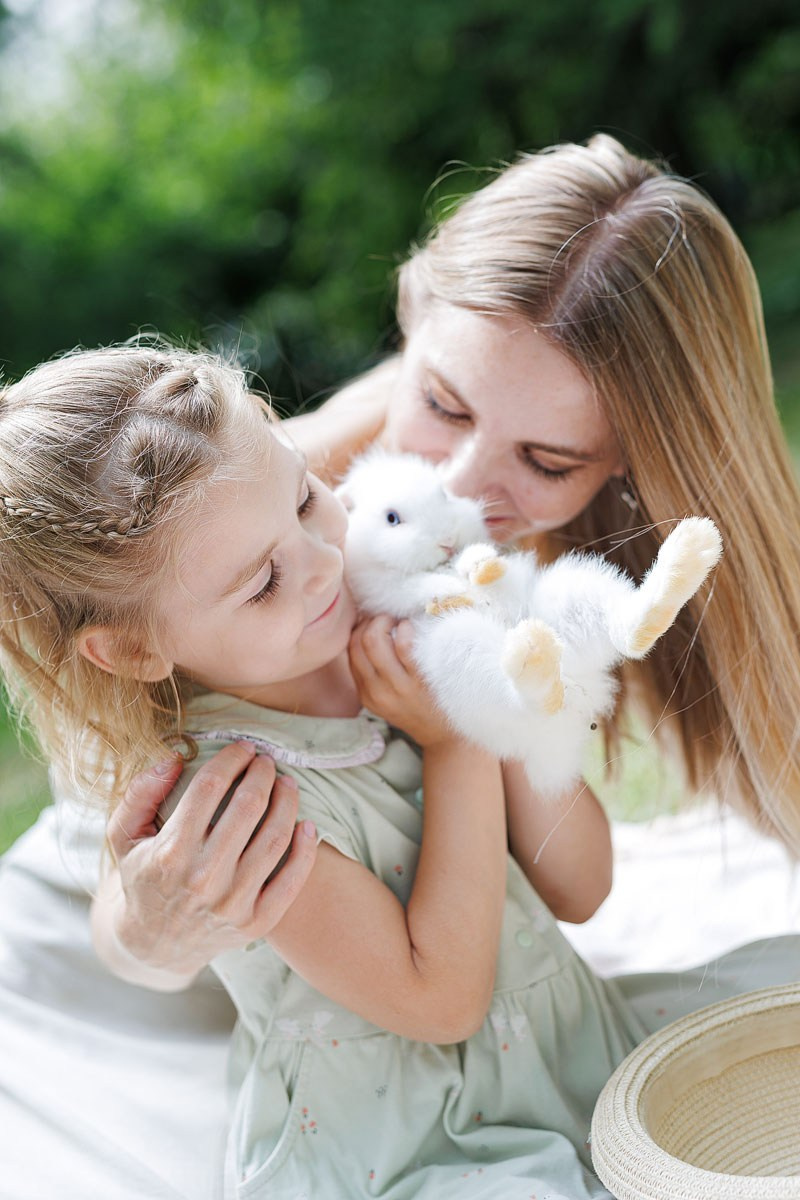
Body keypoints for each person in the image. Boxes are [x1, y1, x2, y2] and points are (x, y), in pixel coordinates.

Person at [0, 342, 798, 1200]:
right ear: (130, 648)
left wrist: (488, 693)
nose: (322, 564)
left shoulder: (391, 621)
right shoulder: (236, 801)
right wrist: (455, 742)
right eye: (264, 582)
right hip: (422, 1146)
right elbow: (439, 999)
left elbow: (583, 885)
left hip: (570, 1050)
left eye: (307, 498)